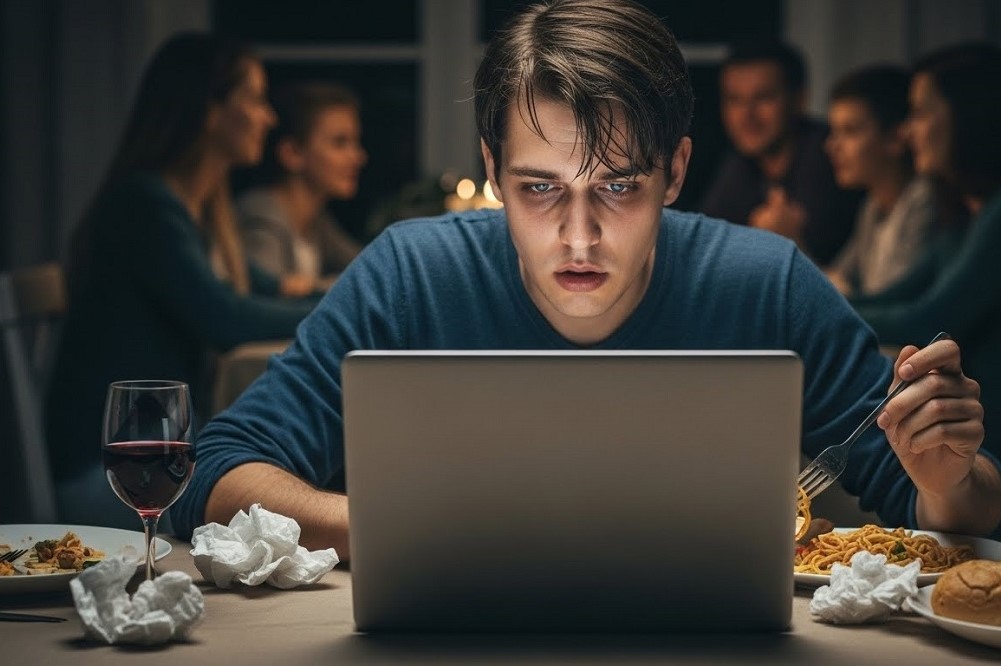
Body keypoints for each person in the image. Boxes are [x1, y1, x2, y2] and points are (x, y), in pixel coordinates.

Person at [171, 0, 1001, 553]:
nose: (579, 236)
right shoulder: (409, 274)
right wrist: (395, 526)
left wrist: (950, 475)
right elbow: (221, 470)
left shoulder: (764, 282)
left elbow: (951, 509)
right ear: (493, 170)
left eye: (618, 185)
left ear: (674, 173)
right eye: (539, 189)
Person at [45, 33, 318, 529]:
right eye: (255, 99)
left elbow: (265, 289)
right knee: (292, 489)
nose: (269, 117)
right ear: (209, 110)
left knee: (297, 470)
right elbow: (227, 318)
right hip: (113, 474)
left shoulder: (199, 214)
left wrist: (348, 295)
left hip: (157, 461)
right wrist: (346, 306)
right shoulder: (145, 206)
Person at [850, 43, 1001, 454]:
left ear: (967, 116)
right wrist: (817, 297)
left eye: (919, 113)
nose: (907, 131)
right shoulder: (964, 213)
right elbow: (897, 294)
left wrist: (817, 306)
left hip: (988, 442)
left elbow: (929, 319)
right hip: (969, 434)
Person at [699, 41, 862, 267]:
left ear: (799, 100)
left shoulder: (827, 153)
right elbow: (707, 243)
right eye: (734, 100)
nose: (747, 116)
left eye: (763, 98)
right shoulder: (741, 162)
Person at [237, 82, 367, 295]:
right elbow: (267, 300)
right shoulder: (261, 216)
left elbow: (369, 267)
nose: (358, 157)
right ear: (292, 153)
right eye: (340, 143)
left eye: (355, 143)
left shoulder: (316, 221)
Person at [823, 64, 940, 296]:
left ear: (896, 138)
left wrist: (794, 242)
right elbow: (836, 280)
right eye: (834, 131)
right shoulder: (873, 206)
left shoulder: (925, 202)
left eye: (850, 131)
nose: (832, 146)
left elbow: (892, 301)